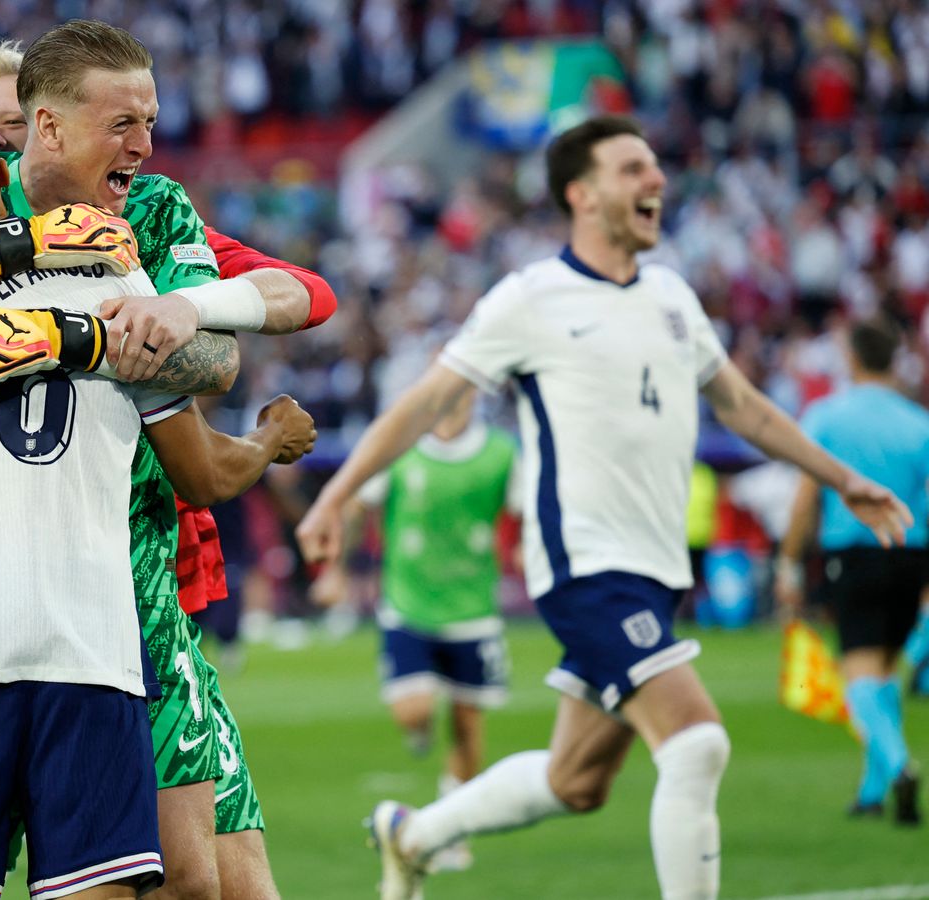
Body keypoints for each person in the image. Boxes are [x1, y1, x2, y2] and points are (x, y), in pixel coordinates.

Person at [295, 115, 912, 900]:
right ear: (582, 195)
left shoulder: (672, 296)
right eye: (633, 169)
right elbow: (427, 403)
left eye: (654, 166)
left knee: (574, 780)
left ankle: (411, 836)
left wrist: (842, 478)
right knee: (697, 745)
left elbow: (745, 407)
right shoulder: (531, 298)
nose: (656, 180)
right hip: (586, 566)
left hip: (654, 573)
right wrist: (341, 496)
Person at [0, 25, 335, 900]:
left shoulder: (149, 216)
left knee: (201, 881)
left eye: (149, 120)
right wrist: (32, 257)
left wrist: (96, 330)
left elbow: (269, 321)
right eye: (123, 122)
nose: (142, 143)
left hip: (127, 581)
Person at [309, 386, 518, 873]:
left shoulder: (501, 453)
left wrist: (527, 551)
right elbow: (360, 509)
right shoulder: (402, 449)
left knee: (468, 725)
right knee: (413, 710)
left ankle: (452, 829)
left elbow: (524, 514)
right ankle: (421, 731)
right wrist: (337, 569)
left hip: (473, 609)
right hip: (408, 603)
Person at [775, 316, 927, 825]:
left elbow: (805, 498)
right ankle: (872, 790)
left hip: (854, 554)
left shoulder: (828, 416)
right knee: (884, 670)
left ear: (855, 359)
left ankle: (901, 764)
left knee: (858, 670)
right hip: (910, 551)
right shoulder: (918, 422)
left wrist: (790, 563)